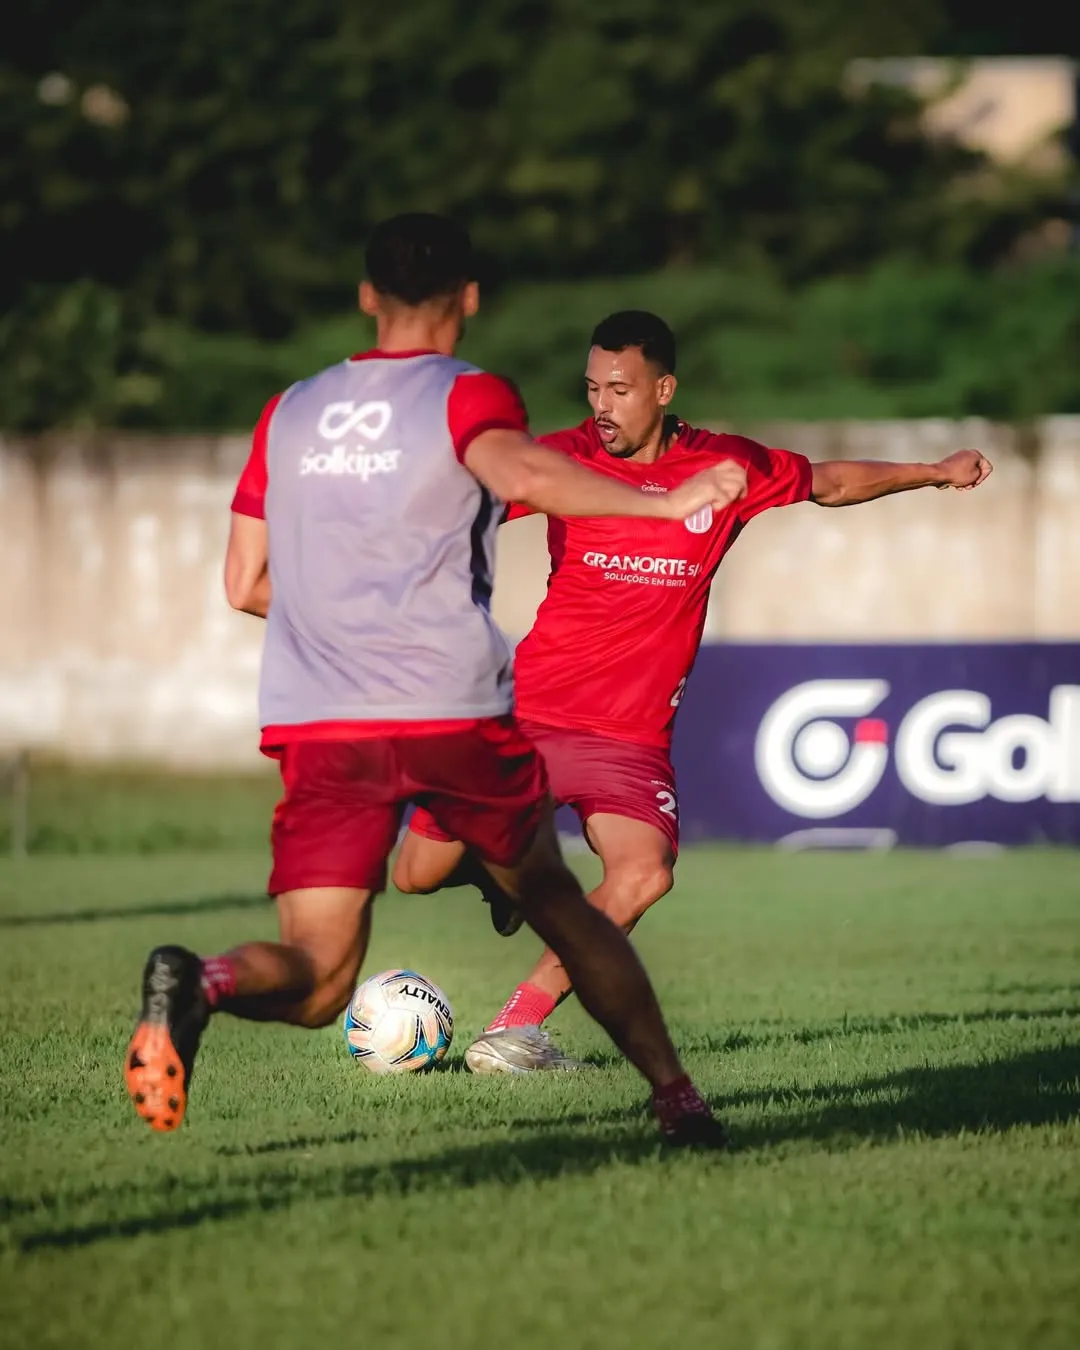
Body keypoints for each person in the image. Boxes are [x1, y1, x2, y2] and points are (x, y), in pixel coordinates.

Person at [123, 217, 748, 1146]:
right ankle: (674, 1096)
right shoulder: (466, 394)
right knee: (563, 908)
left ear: (367, 297)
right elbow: (525, 468)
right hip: (445, 706)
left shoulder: (288, 410)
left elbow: (245, 585)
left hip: (319, 715)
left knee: (322, 974)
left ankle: (200, 980)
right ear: (470, 296)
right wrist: (665, 499)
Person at [392, 309, 994, 1075]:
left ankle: (516, 1030)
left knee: (644, 873)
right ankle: (498, 874)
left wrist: (935, 471)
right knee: (416, 875)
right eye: (591, 388)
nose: (601, 406)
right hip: (531, 713)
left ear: (663, 389)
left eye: (619, 389)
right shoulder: (561, 460)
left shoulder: (725, 467)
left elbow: (831, 482)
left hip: (628, 738)